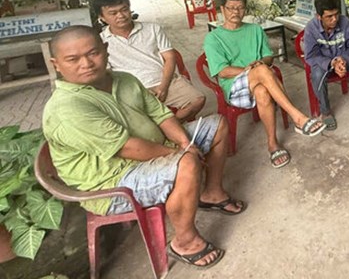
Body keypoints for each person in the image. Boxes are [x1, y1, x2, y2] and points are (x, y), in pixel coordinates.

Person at [43, 25, 242, 270]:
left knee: (217, 125)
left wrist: (183, 143)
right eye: (73, 59)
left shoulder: (124, 79)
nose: (86, 64)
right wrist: (181, 153)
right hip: (113, 181)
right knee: (187, 163)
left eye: (93, 53)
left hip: (155, 149)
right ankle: (185, 241)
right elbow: (128, 149)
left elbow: (160, 114)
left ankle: (211, 194)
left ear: (105, 49)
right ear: (56, 64)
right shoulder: (67, 107)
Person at [203, 0, 325, 169]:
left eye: (240, 8)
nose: (235, 12)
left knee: (262, 91)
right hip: (234, 86)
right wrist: (250, 70)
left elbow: (268, 57)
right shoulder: (213, 38)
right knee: (261, 71)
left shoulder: (255, 30)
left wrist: (261, 63)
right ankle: (298, 118)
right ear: (222, 9)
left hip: (260, 82)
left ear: (245, 9)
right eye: (231, 8)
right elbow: (222, 71)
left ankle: (273, 144)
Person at [95, 0, 206, 121]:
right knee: (132, 121)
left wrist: (163, 87)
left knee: (198, 99)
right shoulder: (100, 41)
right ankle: (169, 129)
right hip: (132, 90)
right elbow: (106, 73)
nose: (121, 16)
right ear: (102, 17)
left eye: (124, 10)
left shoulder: (153, 29)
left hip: (165, 81)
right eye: (113, 13)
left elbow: (170, 58)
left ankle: (172, 127)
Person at [303, 0, 349, 129]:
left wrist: (343, 59)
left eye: (336, 14)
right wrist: (332, 63)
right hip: (325, 65)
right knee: (316, 74)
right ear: (319, 16)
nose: (334, 19)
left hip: (345, 60)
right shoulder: (311, 28)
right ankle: (325, 112)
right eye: (329, 16)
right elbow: (311, 56)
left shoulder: (345, 22)